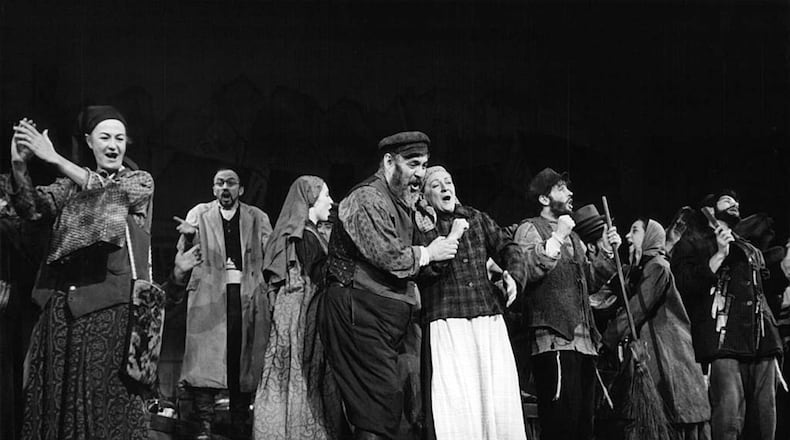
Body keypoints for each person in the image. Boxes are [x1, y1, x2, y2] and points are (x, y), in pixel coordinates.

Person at [9, 107, 154, 439]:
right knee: (55, 404)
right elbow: (30, 211)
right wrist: (20, 165)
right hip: (63, 312)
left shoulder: (139, 181)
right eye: (104, 137)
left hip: (111, 314)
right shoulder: (66, 188)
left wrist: (56, 159)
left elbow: (110, 196)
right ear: (89, 142)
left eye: (119, 138)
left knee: (107, 405)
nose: (113, 145)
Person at [319, 131, 459, 440]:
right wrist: (428, 252)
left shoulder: (404, 204)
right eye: (412, 164)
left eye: (423, 165)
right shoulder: (367, 197)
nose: (419, 174)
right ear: (388, 161)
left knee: (396, 409)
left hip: (386, 319)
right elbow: (388, 256)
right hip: (358, 311)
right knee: (377, 410)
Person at [414, 165, 527, 440]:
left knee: (497, 403)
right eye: (436, 185)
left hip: (487, 318)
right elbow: (427, 271)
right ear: (425, 196)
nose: (445, 188)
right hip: (447, 322)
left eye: (448, 182)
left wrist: (513, 274)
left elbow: (508, 246)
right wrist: (452, 235)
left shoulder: (475, 217)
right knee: (456, 405)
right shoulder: (420, 225)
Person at [512, 167, 620, 440]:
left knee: (584, 427)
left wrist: (606, 251)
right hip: (553, 339)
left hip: (584, 342)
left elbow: (589, 283)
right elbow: (525, 271)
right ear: (544, 199)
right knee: (561, 424)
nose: (570, 193)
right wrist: (556, 237)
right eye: (561, 188)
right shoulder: (530, 228)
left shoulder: (575, 237)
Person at [671, 190, 783, 440]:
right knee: (729, 418)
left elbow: (766, 288)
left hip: (762, 340)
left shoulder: (749, 248)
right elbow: (684, 284)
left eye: (736, 201)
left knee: (766, 417)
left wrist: (784, 271)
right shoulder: (694, 241)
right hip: (723, 339)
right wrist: (719, 254)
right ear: (710, 210)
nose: (734, 204)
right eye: (726, 200)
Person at [173, 168, 272, 440]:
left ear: (240, 189)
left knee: (242, 358)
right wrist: (190, 235)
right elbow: (183, 256)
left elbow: (271, 252)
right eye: (219, 183)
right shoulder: (199, 213)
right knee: (205, 359)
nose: (225, 188)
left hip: (246, 293)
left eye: (230, 183)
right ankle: (204, 425)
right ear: (213, 188)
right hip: (209, 294)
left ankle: (240, 422)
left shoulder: (257, 217)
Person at [253, 175, 348, 439]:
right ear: (310, 199)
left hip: (301, 312)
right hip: (299, 317)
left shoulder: (312, 232)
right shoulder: (304, 236)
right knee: (299, 371)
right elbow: (317, 276)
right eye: (325, 195)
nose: (330, 201)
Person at [601, 218, 711, 440]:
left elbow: (636, 309)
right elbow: (616, 293)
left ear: (650, 236)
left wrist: (605, 341)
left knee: (669, 420)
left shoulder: (658, 267)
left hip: (669, 357)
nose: (628, 237)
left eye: (635, 231)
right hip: (656, 355)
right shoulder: (643, 270)